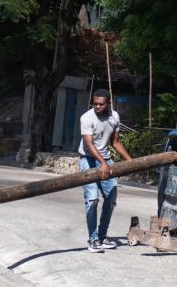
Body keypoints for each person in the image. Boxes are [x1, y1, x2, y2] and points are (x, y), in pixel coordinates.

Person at [77, 89, 131, 253]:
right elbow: (89, 144)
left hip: (105, 159)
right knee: (92, 200)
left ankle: (102, 236)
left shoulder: (114, 116)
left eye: (101, 104)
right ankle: (93, 239)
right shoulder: (86, 118)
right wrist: (103, 164)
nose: (98, 106)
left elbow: (115, 142)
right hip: (88, 159)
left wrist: (131, 161)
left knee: (111, 198)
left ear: (108, 103)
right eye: (95, 103)